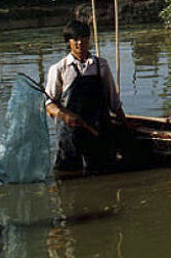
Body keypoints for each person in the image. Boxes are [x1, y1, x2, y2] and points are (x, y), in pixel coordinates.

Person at [44, 21, 125, 172]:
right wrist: (64, 115)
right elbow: (49, 105)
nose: (80, 43)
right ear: (68, 42)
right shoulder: (59, 69)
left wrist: (124, 124)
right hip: (70, 134)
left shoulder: (101, 65)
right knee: (68, 174)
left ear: (89, 39)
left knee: (103, 173)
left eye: (83, 38)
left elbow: (113, 101)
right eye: (75, 39)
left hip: (98, 130)